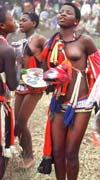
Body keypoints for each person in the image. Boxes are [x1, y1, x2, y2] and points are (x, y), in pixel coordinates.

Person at [37, 2, 100, 180]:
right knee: (58, 152)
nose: (63, 14)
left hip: (81, 103)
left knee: (71, 153)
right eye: (60, 12)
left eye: (68, 12)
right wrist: (50, 79)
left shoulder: (85, 41)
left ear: (76, 20)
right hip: (59, 102)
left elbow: (99, 68)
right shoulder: (51, 43)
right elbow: (45, 70)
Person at [13, 12, 46, 169]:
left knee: (22, 121)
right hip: (21, 82)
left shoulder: (39, 39)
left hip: (34, 84)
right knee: (16, 123)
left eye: (24, 20)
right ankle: (24, 149)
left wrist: (44, 72)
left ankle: (29, 154)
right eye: (19, 20)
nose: (20, 22)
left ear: (33, 23)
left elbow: (50, 57)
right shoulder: (20, 41)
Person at [0, 6, 19, 179]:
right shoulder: (6, 50)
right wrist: (17, 67)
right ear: (2, 26)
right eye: (12, 19)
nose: (15, 22)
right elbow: (13, 85)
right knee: (2, 149)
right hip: (0, 107)